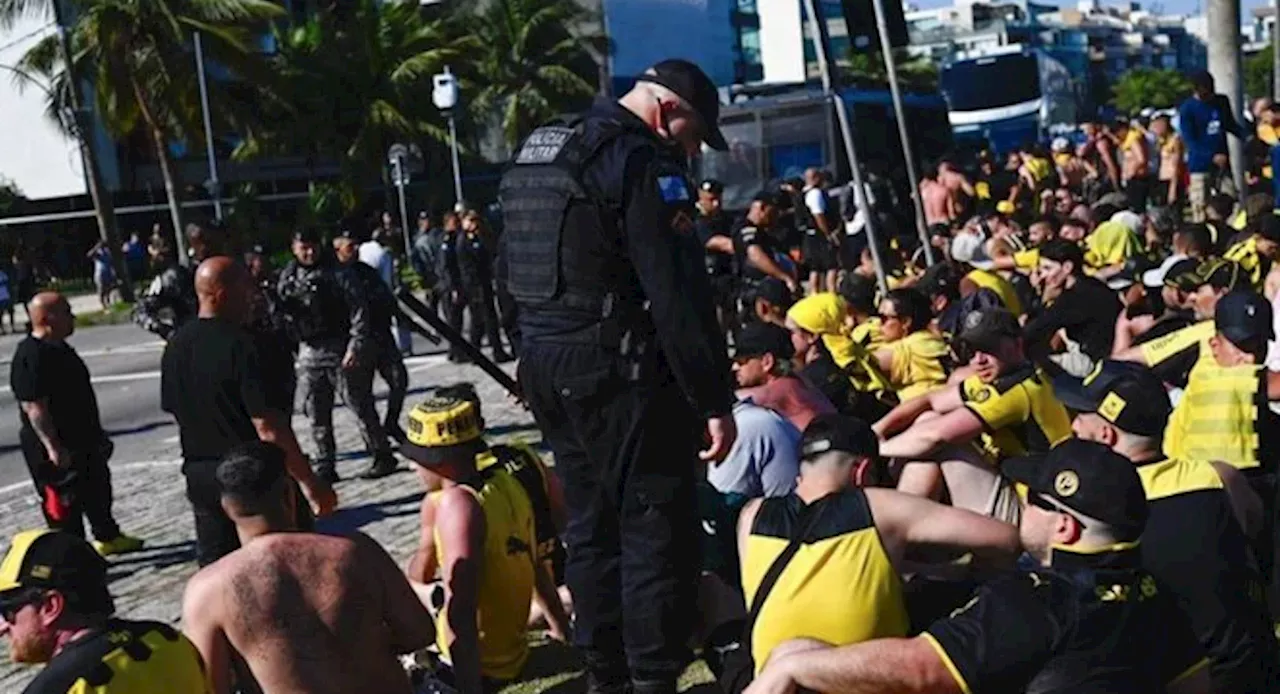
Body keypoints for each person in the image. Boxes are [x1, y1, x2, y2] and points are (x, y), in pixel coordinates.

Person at [498, 58, 737, 694]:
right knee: (654, 526)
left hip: (547, 360)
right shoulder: (640, 163)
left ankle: (604, 677)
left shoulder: (542, 151)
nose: (690, 151)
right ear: (668, 111)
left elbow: (509, 273)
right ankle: (655, 678)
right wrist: (713, 398)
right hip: (618, 367)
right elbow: (677, 293)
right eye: (692, 135)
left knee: (590, 525)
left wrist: (530, 352)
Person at [747, 438, 1213, 694]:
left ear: (1064, 528)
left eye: (1031, 501)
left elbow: (920, 671)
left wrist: (798, 669)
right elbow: (1196, 686)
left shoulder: (1038, 598)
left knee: (796, 657)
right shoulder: (1157, 591)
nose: (1020, 508)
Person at [735, 415, 1022, 680]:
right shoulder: (878, 507)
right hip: (866, 681)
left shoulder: (751, 515)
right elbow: (1005, 538)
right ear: (863, 471)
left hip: (771, 680)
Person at [1061, 361, 1278, 692]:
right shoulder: (1218, 476)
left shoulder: (1096, 510)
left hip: (1183, 679)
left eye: (1079, 418)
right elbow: (1254, 529)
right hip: (1253, 663)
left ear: (1106, 436)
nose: (1072, 424)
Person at [178, 442, 432, 694]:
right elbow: (419, 632)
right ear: (289, 493)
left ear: (227, 508)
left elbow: (209, 686)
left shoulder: (208, 591)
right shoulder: (355, 551)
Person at [162, 258, 335, 566]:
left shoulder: (176, 346)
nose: (253, 295)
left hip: (200, 473)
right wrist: (309, 482)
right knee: (285, 560)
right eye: (246, 287)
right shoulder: (244, 346)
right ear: (220, 293)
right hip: (251, 478)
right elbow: (268, 426)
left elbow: (176, 409)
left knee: (218, 565)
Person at [401, 396, 567, 692]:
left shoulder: (455, 505)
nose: (413, 467)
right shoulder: (506, 483)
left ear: (441, 461)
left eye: (418, 459)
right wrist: (561, 631)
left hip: (479, 667)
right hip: (512, 654)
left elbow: (461, 609)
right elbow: (536, 566)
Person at [875, 308, 1072, 520]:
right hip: (1015, 481)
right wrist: (878, 429)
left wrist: (873, 447)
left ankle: (897, 527)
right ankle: (903, 529)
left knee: (940, 443)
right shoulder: (1011, 374)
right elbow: (931, 400)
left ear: (1017, 344)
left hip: (1034, 507)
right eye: (970, 350)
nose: (978, 359)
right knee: (927, 420)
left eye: (989, 348)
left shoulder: (1016, 389)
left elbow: (936, 435)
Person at [0, 529, 212, 694]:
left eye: (6, 611)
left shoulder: (58, 688)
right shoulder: (167, 640)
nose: (2, 628)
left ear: (50, 607)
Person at [10, 292, 141, 556]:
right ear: (47, 319)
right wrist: (53, 447)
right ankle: (74, 555)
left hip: (83, 437)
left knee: (97, 488)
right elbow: (35, 407)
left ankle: (108, 536)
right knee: (65, 503)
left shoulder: (60, 347)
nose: (72, 318)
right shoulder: (31, 355)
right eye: (66, 312)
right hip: (56, 442)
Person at [277, 228, 394, 484]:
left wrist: (356, 345)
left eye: (312, 246)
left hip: (340, 347)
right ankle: (325, 462)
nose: (309, 252)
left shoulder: (338, 273)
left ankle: (381, 453)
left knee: (359, 404)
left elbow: (358, 311)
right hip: (309, 351)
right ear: (294, 248)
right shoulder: (288, 277)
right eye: (302, 247)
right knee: (316, 412)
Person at [333, 232, 409, 457]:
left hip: (382, 337)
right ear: (337, 251)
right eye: (349, 246)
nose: (355, 249)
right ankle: (378, 447)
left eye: (355, 244)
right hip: (357, 344)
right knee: (362, 399)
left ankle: (392, 423)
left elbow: (387, 299)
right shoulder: (335, 277)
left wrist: (403, 320)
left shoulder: (366, 272)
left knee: (399, 380)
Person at [1024, 239, 1123, 375]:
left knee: (1030, 360)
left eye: (1048, 268)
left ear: (1067, 268)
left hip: (1091, 361)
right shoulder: (1092, 284)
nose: (1043, 275)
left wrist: (1041, 299)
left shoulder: (1073, 300)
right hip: (1103, 348)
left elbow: (1032, 331)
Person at [732, 321, 835, 432]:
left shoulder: (780, 390)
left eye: (741, 361)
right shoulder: (801, 382)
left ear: (767, 362)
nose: (734, 367)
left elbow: (735, 401)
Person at [1180, 71, 1246, 220]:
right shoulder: (1188, 109)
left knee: (1231, 200)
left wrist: (1245, 136)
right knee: (1201, 205)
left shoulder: (1221, 102)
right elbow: (1190, 141)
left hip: (1222, 164)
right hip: (1200, 165)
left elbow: (1229, 124)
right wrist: (1211, 156)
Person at [458, 211, 514, 363]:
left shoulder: (480, 237)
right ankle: (494, 351)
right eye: (470, 220)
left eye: (475, 220)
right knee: (486, 320)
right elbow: (468, 266)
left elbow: (489, 253)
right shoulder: (463, 241)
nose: (473, 224)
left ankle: (476, 352)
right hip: (474, 286)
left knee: (481, 321)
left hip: (484, 284)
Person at [132, 240, 195, 341]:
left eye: (153, 256)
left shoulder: (167, 278)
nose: (151, 260)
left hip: (187, 334)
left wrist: (165, 330)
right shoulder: (189, 270)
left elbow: (140, 311)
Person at [801, 168, 839, 295]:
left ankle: (814, 294)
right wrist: (828, 234)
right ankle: (832, 293)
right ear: (816, 178)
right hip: (819, 235)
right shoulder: (816, 194)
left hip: (809, 235)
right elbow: (819, 215)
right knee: (831, 266)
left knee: (815, 268)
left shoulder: (803, 193)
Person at [85, 242, 114, 310]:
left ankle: (108, 304)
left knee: (108, 290)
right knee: (101, 290)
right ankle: (103, 306)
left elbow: (112, 262)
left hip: (108, 274)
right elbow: (89, 255)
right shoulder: (98, 253)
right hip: (100, 275)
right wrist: (96, 247)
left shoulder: (108, 252)